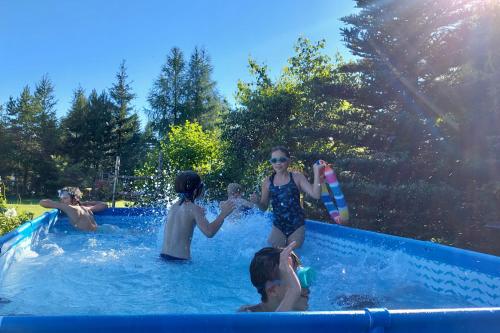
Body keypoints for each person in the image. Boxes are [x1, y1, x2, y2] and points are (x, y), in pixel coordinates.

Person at [251, 146, 323, 248]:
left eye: (282, 159)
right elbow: (264, 207)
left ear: (289, 161)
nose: (278, 163)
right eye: (274, 160)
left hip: (296, 225)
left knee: (292, 258)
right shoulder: (267, 182)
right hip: (278, 226)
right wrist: (257, 202)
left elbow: (316, 194)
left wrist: (317, 173)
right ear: (271, 162)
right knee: (272, 255)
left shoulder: (297, 177)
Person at [161, 171, 235, 261]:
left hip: (163, 258)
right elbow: (209, 232)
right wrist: (223, 214)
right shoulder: (194, 209)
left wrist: (195, 218)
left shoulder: (174, 206)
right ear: (196, 190)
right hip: (180, 262)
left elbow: (181, 228)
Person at [238, 241, 310, 312]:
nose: (305, 284)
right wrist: (293, 291)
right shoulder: (248, 316)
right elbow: (276, 323)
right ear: (272, 290)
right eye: (294, 278)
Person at [39, 187, 108, 232]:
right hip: (99, 231)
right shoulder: (85, 209)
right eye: (61, 198)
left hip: (86, 237)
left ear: (74, 199)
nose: (62, 201)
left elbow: (42, 202)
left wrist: (58, 204)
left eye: (65, 198)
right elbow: (104, 205)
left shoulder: (69, 208)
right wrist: (86, 203)